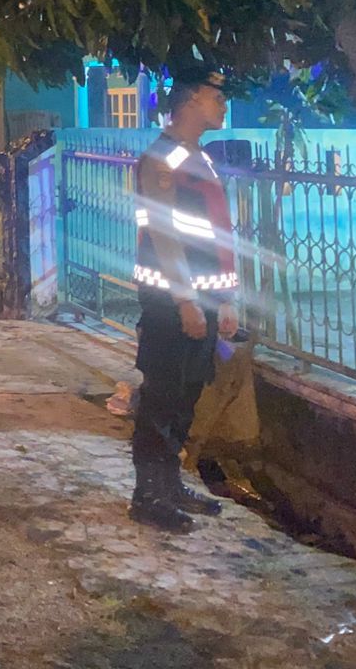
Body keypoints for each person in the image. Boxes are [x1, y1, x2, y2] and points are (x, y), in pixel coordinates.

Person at [129, 67, 240, 533]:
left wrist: (225, 300)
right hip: (171, 301)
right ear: (192, 98)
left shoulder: (199, 156)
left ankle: (170, 484)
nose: (223, 105)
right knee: (162, 396)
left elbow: (215, 234)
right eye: (217, 97)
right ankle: (148, 495)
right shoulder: (163, 157)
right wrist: (185, 301)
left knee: (186, 397)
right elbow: (164, 233)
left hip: (205, 298)